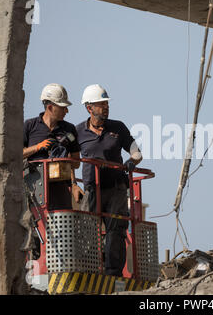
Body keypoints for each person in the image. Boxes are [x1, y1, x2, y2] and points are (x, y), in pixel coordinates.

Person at [76, 84, 142, 276]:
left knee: (115, 231)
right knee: (87, 231)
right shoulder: (78, 131)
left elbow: (136, 152)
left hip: (116, 189)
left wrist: (132, 161)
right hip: (91, 189)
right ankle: (89, 272)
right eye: (101, 104)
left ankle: (113, 273)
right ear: (89, 108)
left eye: (106, 103)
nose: (106, 107)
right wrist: (73, 184)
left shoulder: (118, 127)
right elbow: (70, 158)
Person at [23, 83, 82, 209]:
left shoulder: (69, 129)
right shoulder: (30, 126)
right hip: (34, 188)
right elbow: (17, 154)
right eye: (62, 107)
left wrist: (64, 159)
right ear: (50, 107)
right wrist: (38, 147)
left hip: (61, 190)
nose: (67, 111)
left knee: (61, 227)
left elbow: (77, 163)